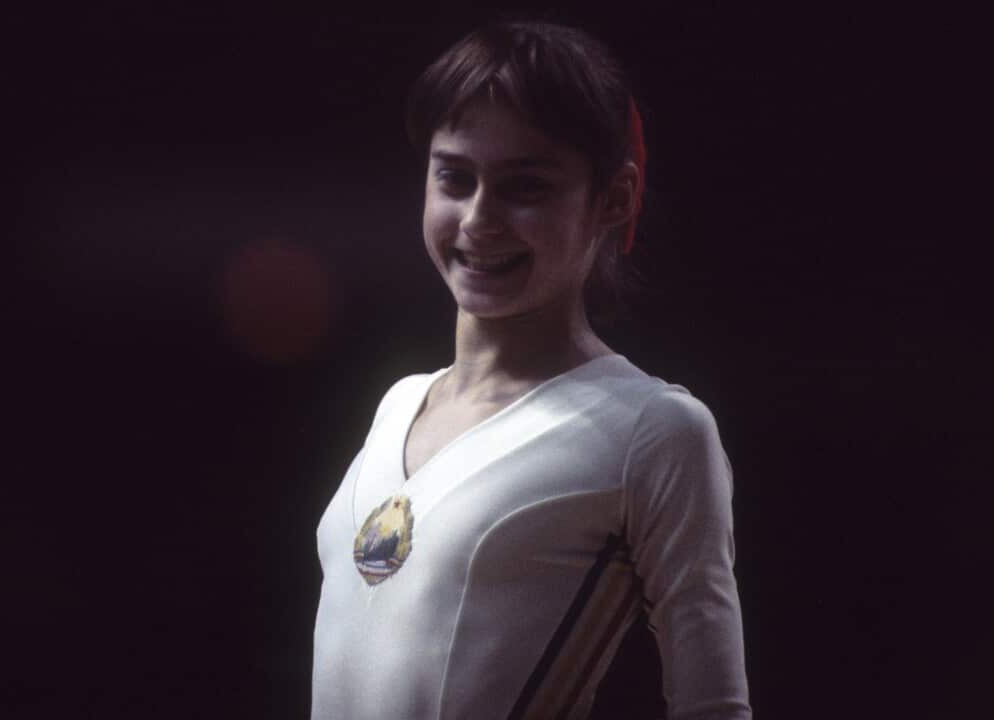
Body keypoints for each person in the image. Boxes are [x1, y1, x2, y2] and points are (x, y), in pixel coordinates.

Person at [311, 19, 751, 720]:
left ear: (615, 198)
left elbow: (715, 708)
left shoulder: (654, 431)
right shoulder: (400, 403)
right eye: (455, 177)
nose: (480, 219)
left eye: (527, 187)